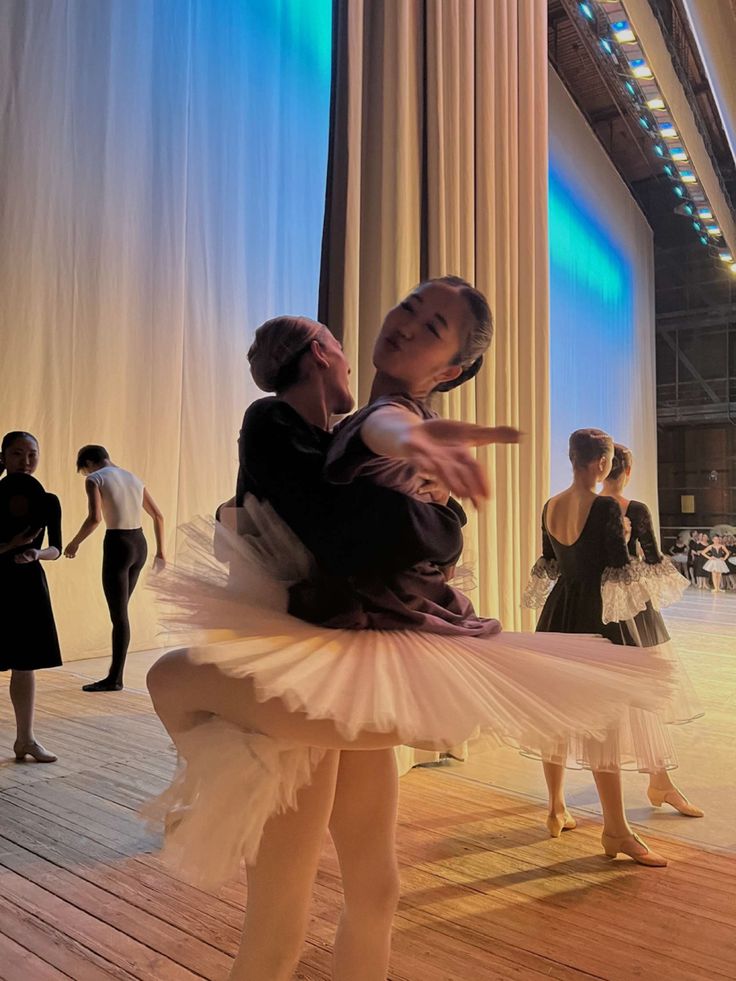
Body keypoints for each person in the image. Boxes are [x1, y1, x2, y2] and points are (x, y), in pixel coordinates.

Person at [147, 282, 681, 980]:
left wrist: (419, 455)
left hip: (343, 650)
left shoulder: (382, 417)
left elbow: (386, 430)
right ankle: (211, 779)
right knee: (293, 906)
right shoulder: (326, 423)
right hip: (322, 653)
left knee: (363, 889)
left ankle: (209, 781)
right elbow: (375, 446)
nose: (405, 324)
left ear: (451, 369)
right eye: (409, 307)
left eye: (433, 326)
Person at [523, 429, 697, 865]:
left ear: (571, 457)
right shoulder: (602, 506)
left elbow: (548, 565)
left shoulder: (550, 505)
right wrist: (619, 534)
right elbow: (619, 571)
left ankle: (556, 808)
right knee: (606, 721)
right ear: (602, 463)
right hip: (595, 616)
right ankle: (615, 831)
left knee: (557, 715)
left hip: (560, 613)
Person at [601, 443, 703, 816]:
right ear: (627, 471)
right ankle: (659, 781)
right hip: (629, 608)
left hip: (593, 606)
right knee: (640, 692)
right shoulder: (633, 509)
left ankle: (658, 781)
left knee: (609, 694)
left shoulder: (581, 506)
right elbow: (653, 558)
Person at [64, 446, 165, 691]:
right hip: (139, 544)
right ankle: (115, 675)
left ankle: (115, 679)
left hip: (118, 546)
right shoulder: (133, 478)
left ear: (88, 463)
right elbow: (158, 516)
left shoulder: (94, 478)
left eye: (84, 469)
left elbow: (95, 518)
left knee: (119, 617)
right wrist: (161, 552)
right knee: (121, 614)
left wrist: (74, 543)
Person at [0, 431, 62, 762]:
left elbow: (56, 548)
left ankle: (25, 739)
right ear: (4, 457)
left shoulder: (47, 500)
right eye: (17, 454)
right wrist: (9, 548)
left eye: (32, 455)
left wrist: (37, 555)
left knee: (25, 666)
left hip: (27, 586)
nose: (25, 461)